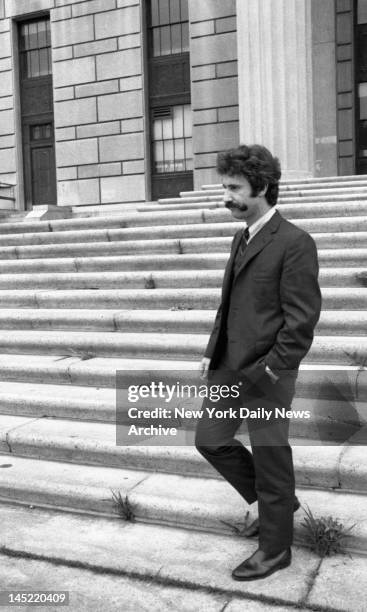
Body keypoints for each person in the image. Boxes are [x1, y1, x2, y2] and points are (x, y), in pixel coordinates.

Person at [195, 144, 321, 581]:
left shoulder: (295, 243)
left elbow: (301, 321)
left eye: (234, 188)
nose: (225, 196)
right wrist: (213, 351)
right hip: (229, 365)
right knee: (210, 440)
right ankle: (279, 506)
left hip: (267, 370)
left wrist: (271, 369)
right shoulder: (241, 235)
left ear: (263, 187)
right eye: (225, 187)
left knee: (271, 458)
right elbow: (229, 303)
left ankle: (275, 549)